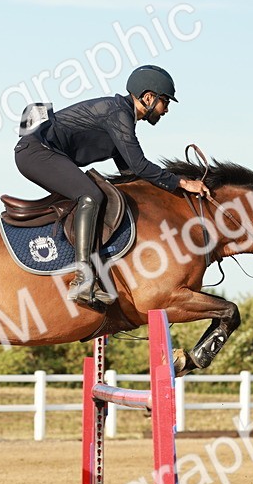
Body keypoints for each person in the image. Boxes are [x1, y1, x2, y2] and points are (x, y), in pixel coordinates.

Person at [13, 65, 210, 310]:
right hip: (36, 153)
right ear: (148, 97)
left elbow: (129, 173)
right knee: (91, 195)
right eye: (165, 102)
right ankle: (84, 278)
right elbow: (139, 165)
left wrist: (169, 192)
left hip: (40, 153)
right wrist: (182, 182)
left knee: (100, 194)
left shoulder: (122, 117)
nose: (166, 109)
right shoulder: (119, 115)